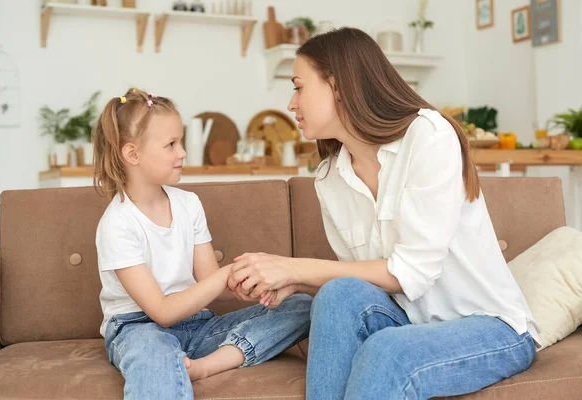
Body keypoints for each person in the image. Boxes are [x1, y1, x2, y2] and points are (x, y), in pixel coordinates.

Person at [227, 28, 540, 399]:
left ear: (337, 85)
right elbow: (362, 281)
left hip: (490, 326)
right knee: (338, 295)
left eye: (298, 87)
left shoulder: (428, 136)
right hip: (410, 321)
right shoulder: (329, 178)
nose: (291, 104)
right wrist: (293, 282)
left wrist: (294, 267)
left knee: (388, 351)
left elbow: (412, 273)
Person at [93, 88, 312, 399]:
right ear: (132, 154)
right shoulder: (117, 223)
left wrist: (249, 277)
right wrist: (224, 275)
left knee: (303, 306)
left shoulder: (189, 204)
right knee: (153, 356)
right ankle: (178, 365)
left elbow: (214, 288)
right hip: (138, 328)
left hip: (198, 326)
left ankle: (207, 365)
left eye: (180, 141)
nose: (183, 152)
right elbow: (162, 313)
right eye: (171, 144)